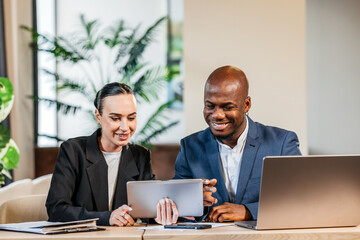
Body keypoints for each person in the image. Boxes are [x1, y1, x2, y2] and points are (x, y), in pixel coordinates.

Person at [174, 66, 301, 222]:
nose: (217, 115)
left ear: (246, 104)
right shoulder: (190, 147)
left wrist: (248, 211)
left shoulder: (281, 143)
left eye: (227, 107)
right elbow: (177, 206)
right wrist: (193, 203)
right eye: (210, 106)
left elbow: (300, 198)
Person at [46, 82, 178, 226]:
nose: (124, 127)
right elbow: (56, 210)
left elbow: (148, 210)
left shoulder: (140, 155)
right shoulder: (73, 151)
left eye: (131, 118)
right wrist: (107, 217)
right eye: (115, 118)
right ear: (98, 116)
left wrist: (159, 216)